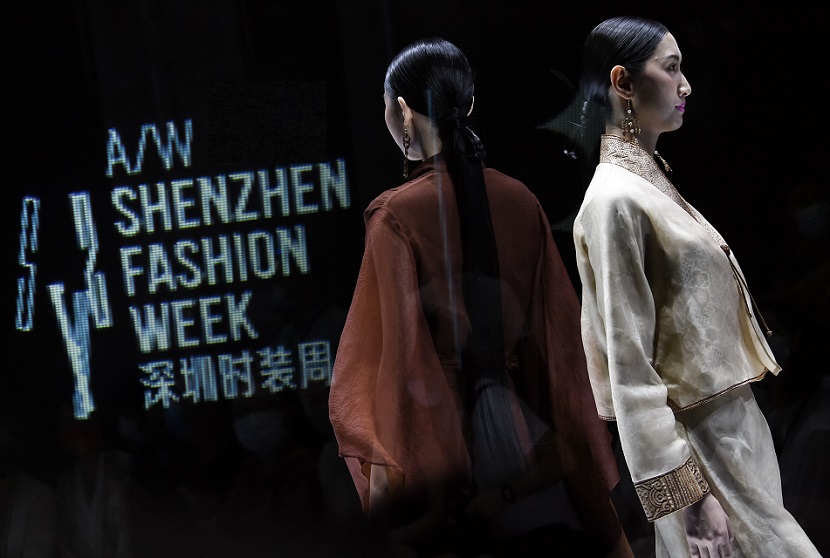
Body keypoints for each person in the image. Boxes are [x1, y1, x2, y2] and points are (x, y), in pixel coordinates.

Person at [328, 37, 633, 557]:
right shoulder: (520, 200)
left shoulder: (394, 216)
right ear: (468, 106)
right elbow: (560, 350)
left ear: (402, 111)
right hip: (532, 455)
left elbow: (389, 372)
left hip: (442, 465)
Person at [570, 15, 822, 557]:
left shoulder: (646, 184)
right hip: (700, 450)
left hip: (731, 435)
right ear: (623, 82)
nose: (685, 86)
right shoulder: (614, 200)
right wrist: (686, 497)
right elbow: (629, 366)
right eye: (671, 68)